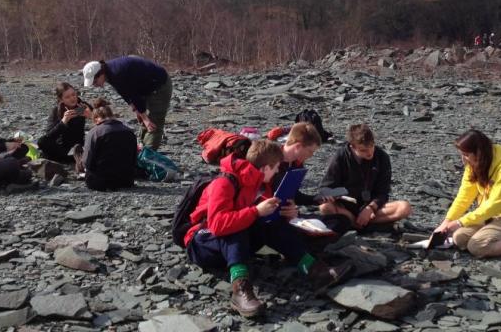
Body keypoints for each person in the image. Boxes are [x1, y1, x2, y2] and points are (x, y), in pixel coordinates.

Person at [183, 140, 354, 318]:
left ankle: (315, 270)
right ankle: (240, 289)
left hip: (228, 246)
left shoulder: (256, 184)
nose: (277, 172)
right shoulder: (224, 183)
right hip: (201, 241)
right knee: (236, 225)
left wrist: (289, 214)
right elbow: (218, 225)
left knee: (268, 222)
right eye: (276, 168)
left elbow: (263, 218)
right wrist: (256, 211)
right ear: (265, 168)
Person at [433, 129, 501, 258]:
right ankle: (492, 237)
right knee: (459, 238)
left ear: (478, 152)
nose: (463, 160)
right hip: (488, 216)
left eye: (466, 154)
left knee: (477, 246)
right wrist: (447, 221)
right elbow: (464, 197)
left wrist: (460, 222)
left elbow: (496, 204)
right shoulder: (473, 165)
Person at [318, 124, 412, 231]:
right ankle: (359, 223)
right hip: (346, 208)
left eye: (371, 146)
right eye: (363, 150)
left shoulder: (382, 157)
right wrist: (331, 195)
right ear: (352, 147)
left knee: (404, 208)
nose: (369, 153)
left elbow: (383, 192)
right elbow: (325, 188)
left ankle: (356, 223)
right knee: (325, 207)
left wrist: (370, 208)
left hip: (371, 207)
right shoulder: (340, 157)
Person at [82, 55, 172, 150]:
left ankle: (148, 156)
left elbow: (134, 95)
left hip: (159, 85)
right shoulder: (109, 72)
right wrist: (138, 111)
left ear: (100, 73)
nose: (95, 85)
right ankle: (141, 148)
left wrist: (144, 117)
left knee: (153, 123)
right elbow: (125, 93)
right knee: (144, 120)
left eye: (95, 82)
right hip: (144, 88)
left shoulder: (117, 73)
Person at [80, 98, 138, 191]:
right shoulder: (129, 132)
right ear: (112, 115)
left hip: (101, 182)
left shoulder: (95, 132)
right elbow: (134, 159)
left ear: (96, 119)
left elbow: (87, 162)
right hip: (126, 180)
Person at [37, 82, 91, 164]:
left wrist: (91, 116)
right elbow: (49, 135)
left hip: (78, 146)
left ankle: (73, 158)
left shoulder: (82, 106)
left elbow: (103, 120)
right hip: (63, 147)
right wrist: (63, 121)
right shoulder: (56, 111)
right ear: (61, 99)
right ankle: (71, 159)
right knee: (42, 141)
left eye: (73, 94)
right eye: (67, 97)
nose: (72, 98)